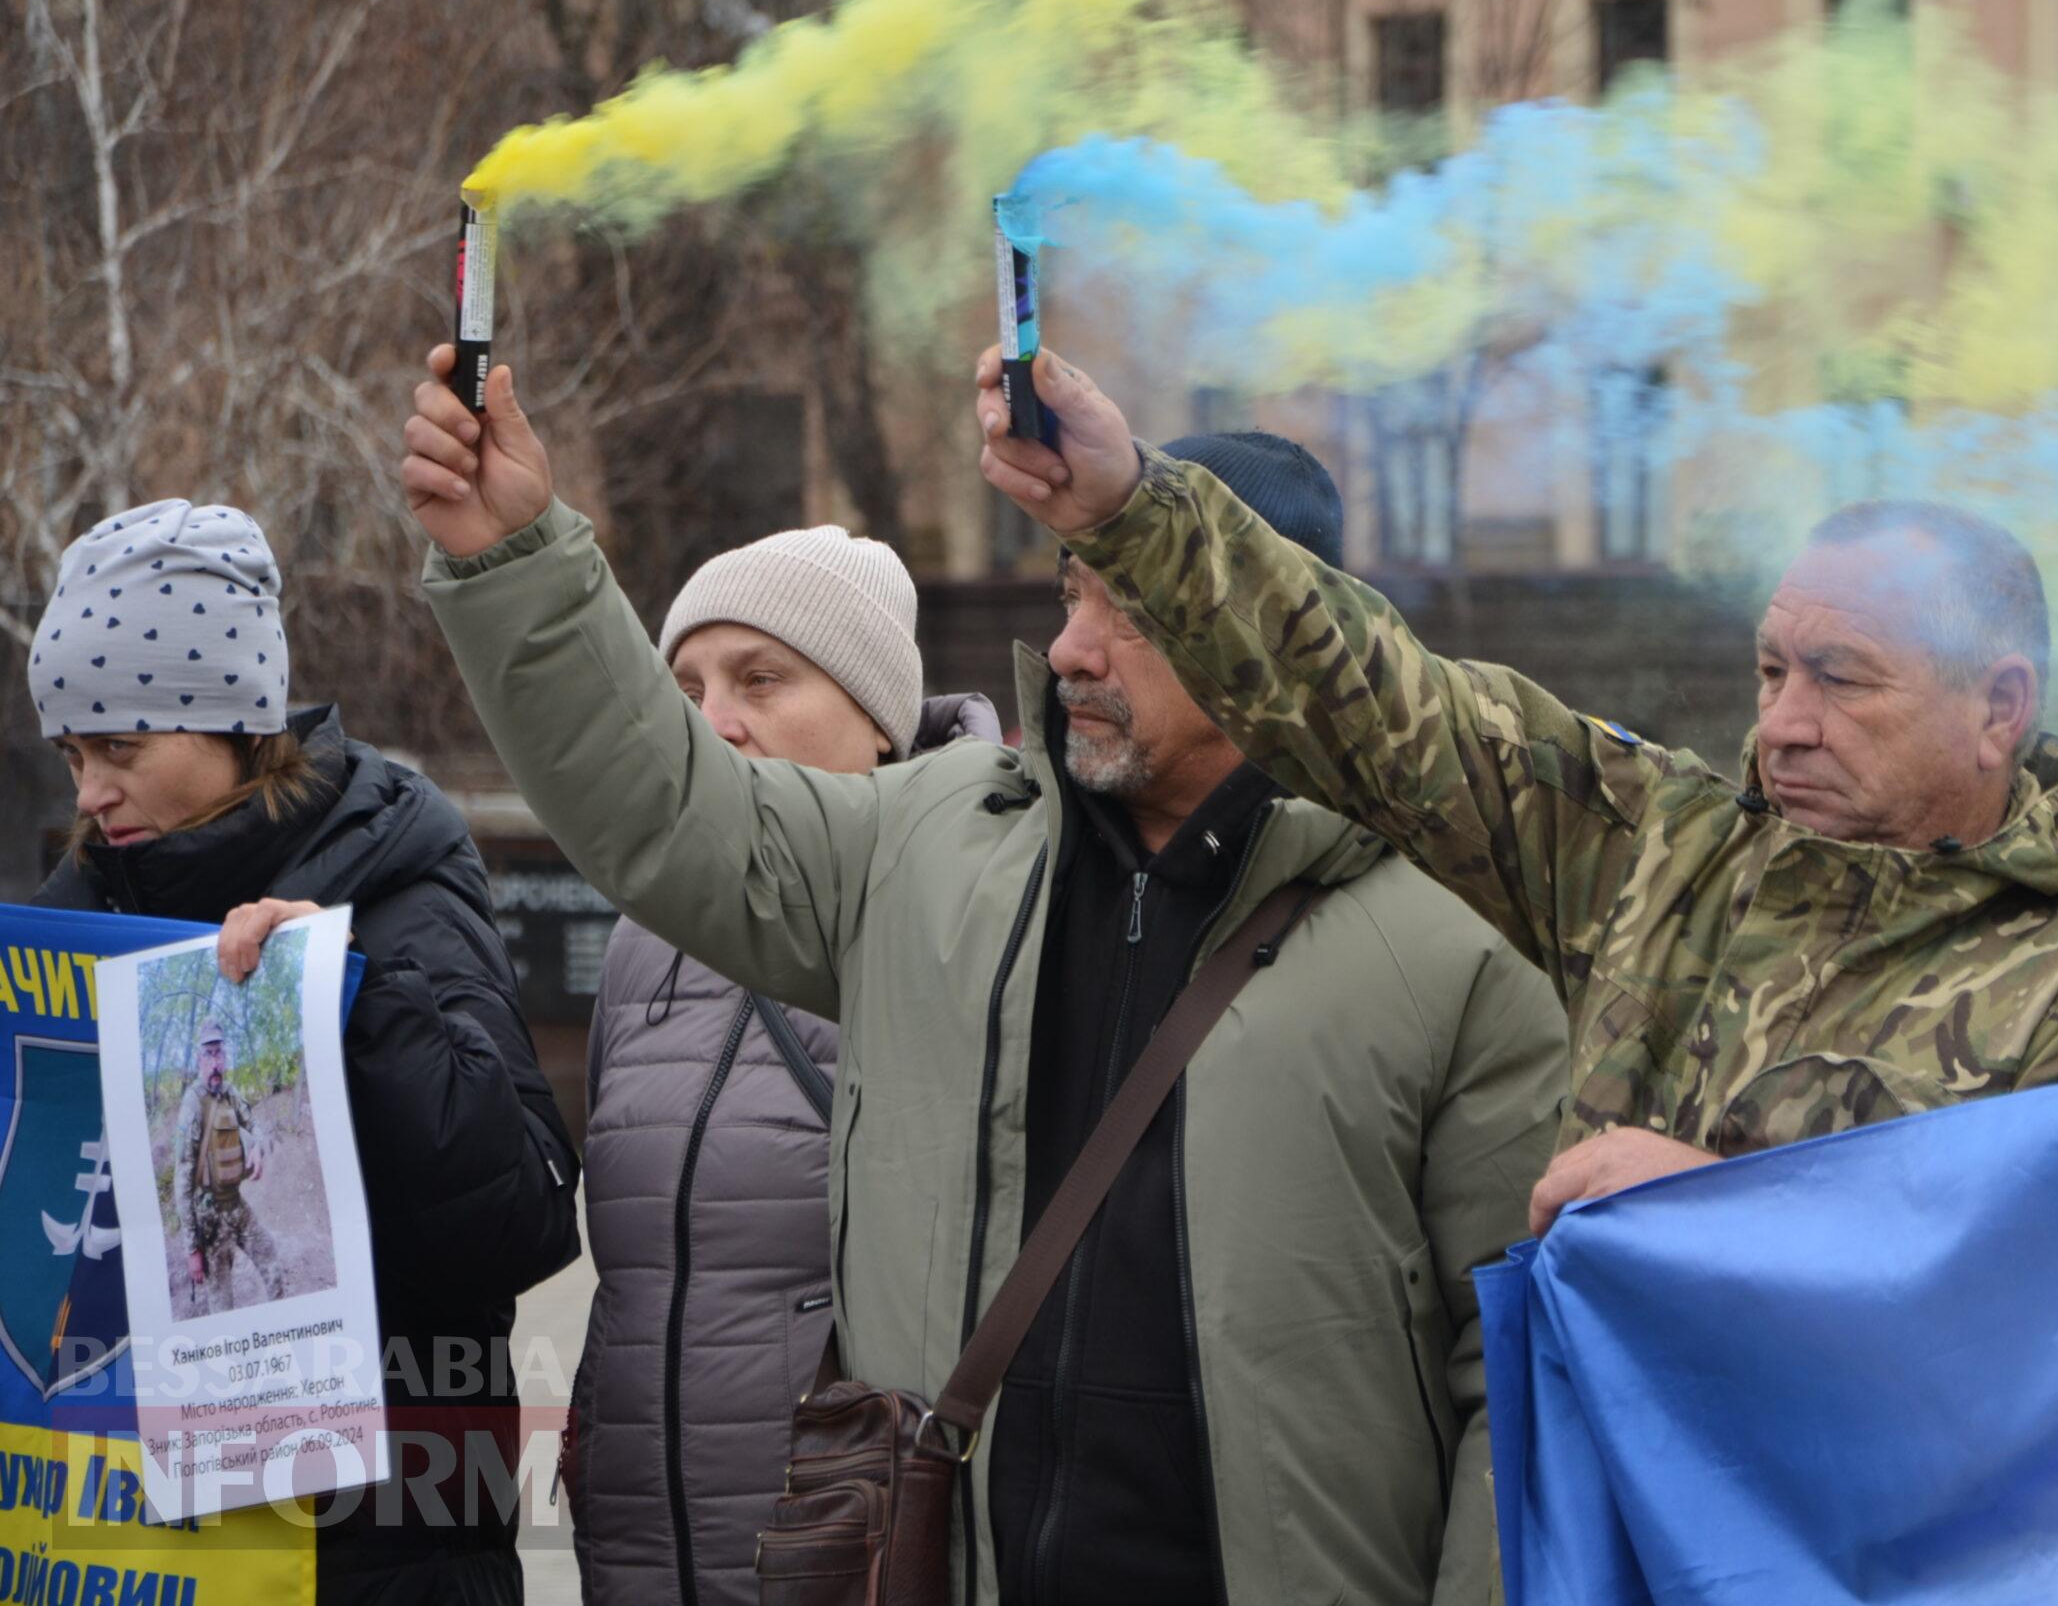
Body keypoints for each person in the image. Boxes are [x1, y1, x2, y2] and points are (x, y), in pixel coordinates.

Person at [401, 346, 1565, 1606]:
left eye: (1129, 610)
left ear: (1282, 633)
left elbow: (1516, 1383)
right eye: (1070, 595)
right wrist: (516, 558)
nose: (1067, 650)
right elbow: (665, 809)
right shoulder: (925, 837)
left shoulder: (1461, 935)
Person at [973, 350, 2058, 1234]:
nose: (1781, 725)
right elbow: (1378, 700)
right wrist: (1134, 507)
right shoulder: (1659, 852)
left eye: (1842, 681)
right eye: (1772, 670)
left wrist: (1720, 1216)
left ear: (1999, 708)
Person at [28, 498, 581, 1606]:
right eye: (74, 752)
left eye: (122, 747)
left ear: (235, 720)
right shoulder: (76, 913)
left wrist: (352, 1004)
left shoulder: (399, 880)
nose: (89, 792)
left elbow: (520, 1216)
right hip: (124, 1556)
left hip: (375, 1554)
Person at [570, 524, 1000, 1606]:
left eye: (762, 678)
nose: (714, 721)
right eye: (688, 684)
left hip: (844, 1564)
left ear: (881, 718)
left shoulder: (967, 919)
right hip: (637, 1560)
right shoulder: (642, 940)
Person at [172, 1014, 280, 1311]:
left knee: (270, 1258)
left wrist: (258, 1146)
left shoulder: (230, 1093)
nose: (215, 1062)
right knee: (222, 1302)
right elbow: (182, 1181)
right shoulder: (192, 1107)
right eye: (209, 1054)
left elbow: (256, 1124)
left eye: (219, 1052)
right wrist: (192, 1248)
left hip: (235, 1205)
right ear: (199, 1059)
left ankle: (286, 1331)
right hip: (209, 1219)